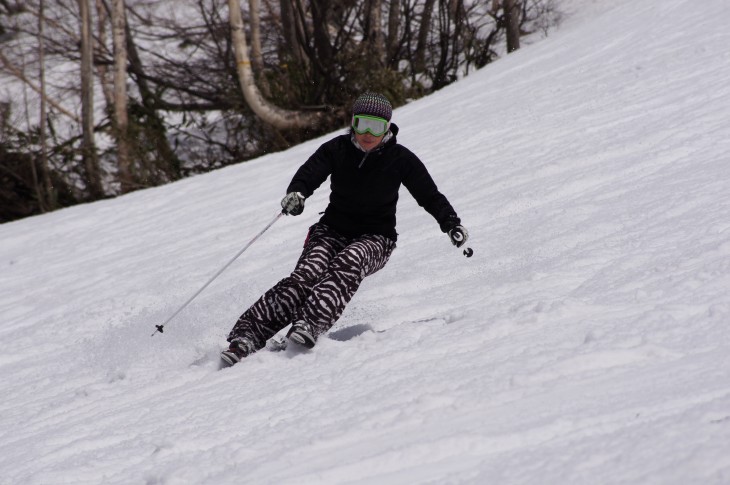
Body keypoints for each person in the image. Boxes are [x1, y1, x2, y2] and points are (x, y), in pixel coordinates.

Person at [221, 92, 468, 366]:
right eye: (361, 124)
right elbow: (310, 172)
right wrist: (298, 194)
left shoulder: (401, 159)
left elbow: (429, 195)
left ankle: (310, 323)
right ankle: (247, 336)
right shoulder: (337, 149)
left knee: (349, 262)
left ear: (387, 127)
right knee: (305, 276)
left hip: (377, 238)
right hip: (330, 231)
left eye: (375, 127)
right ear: (353, 122)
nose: (367, 134)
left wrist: (451, 223)